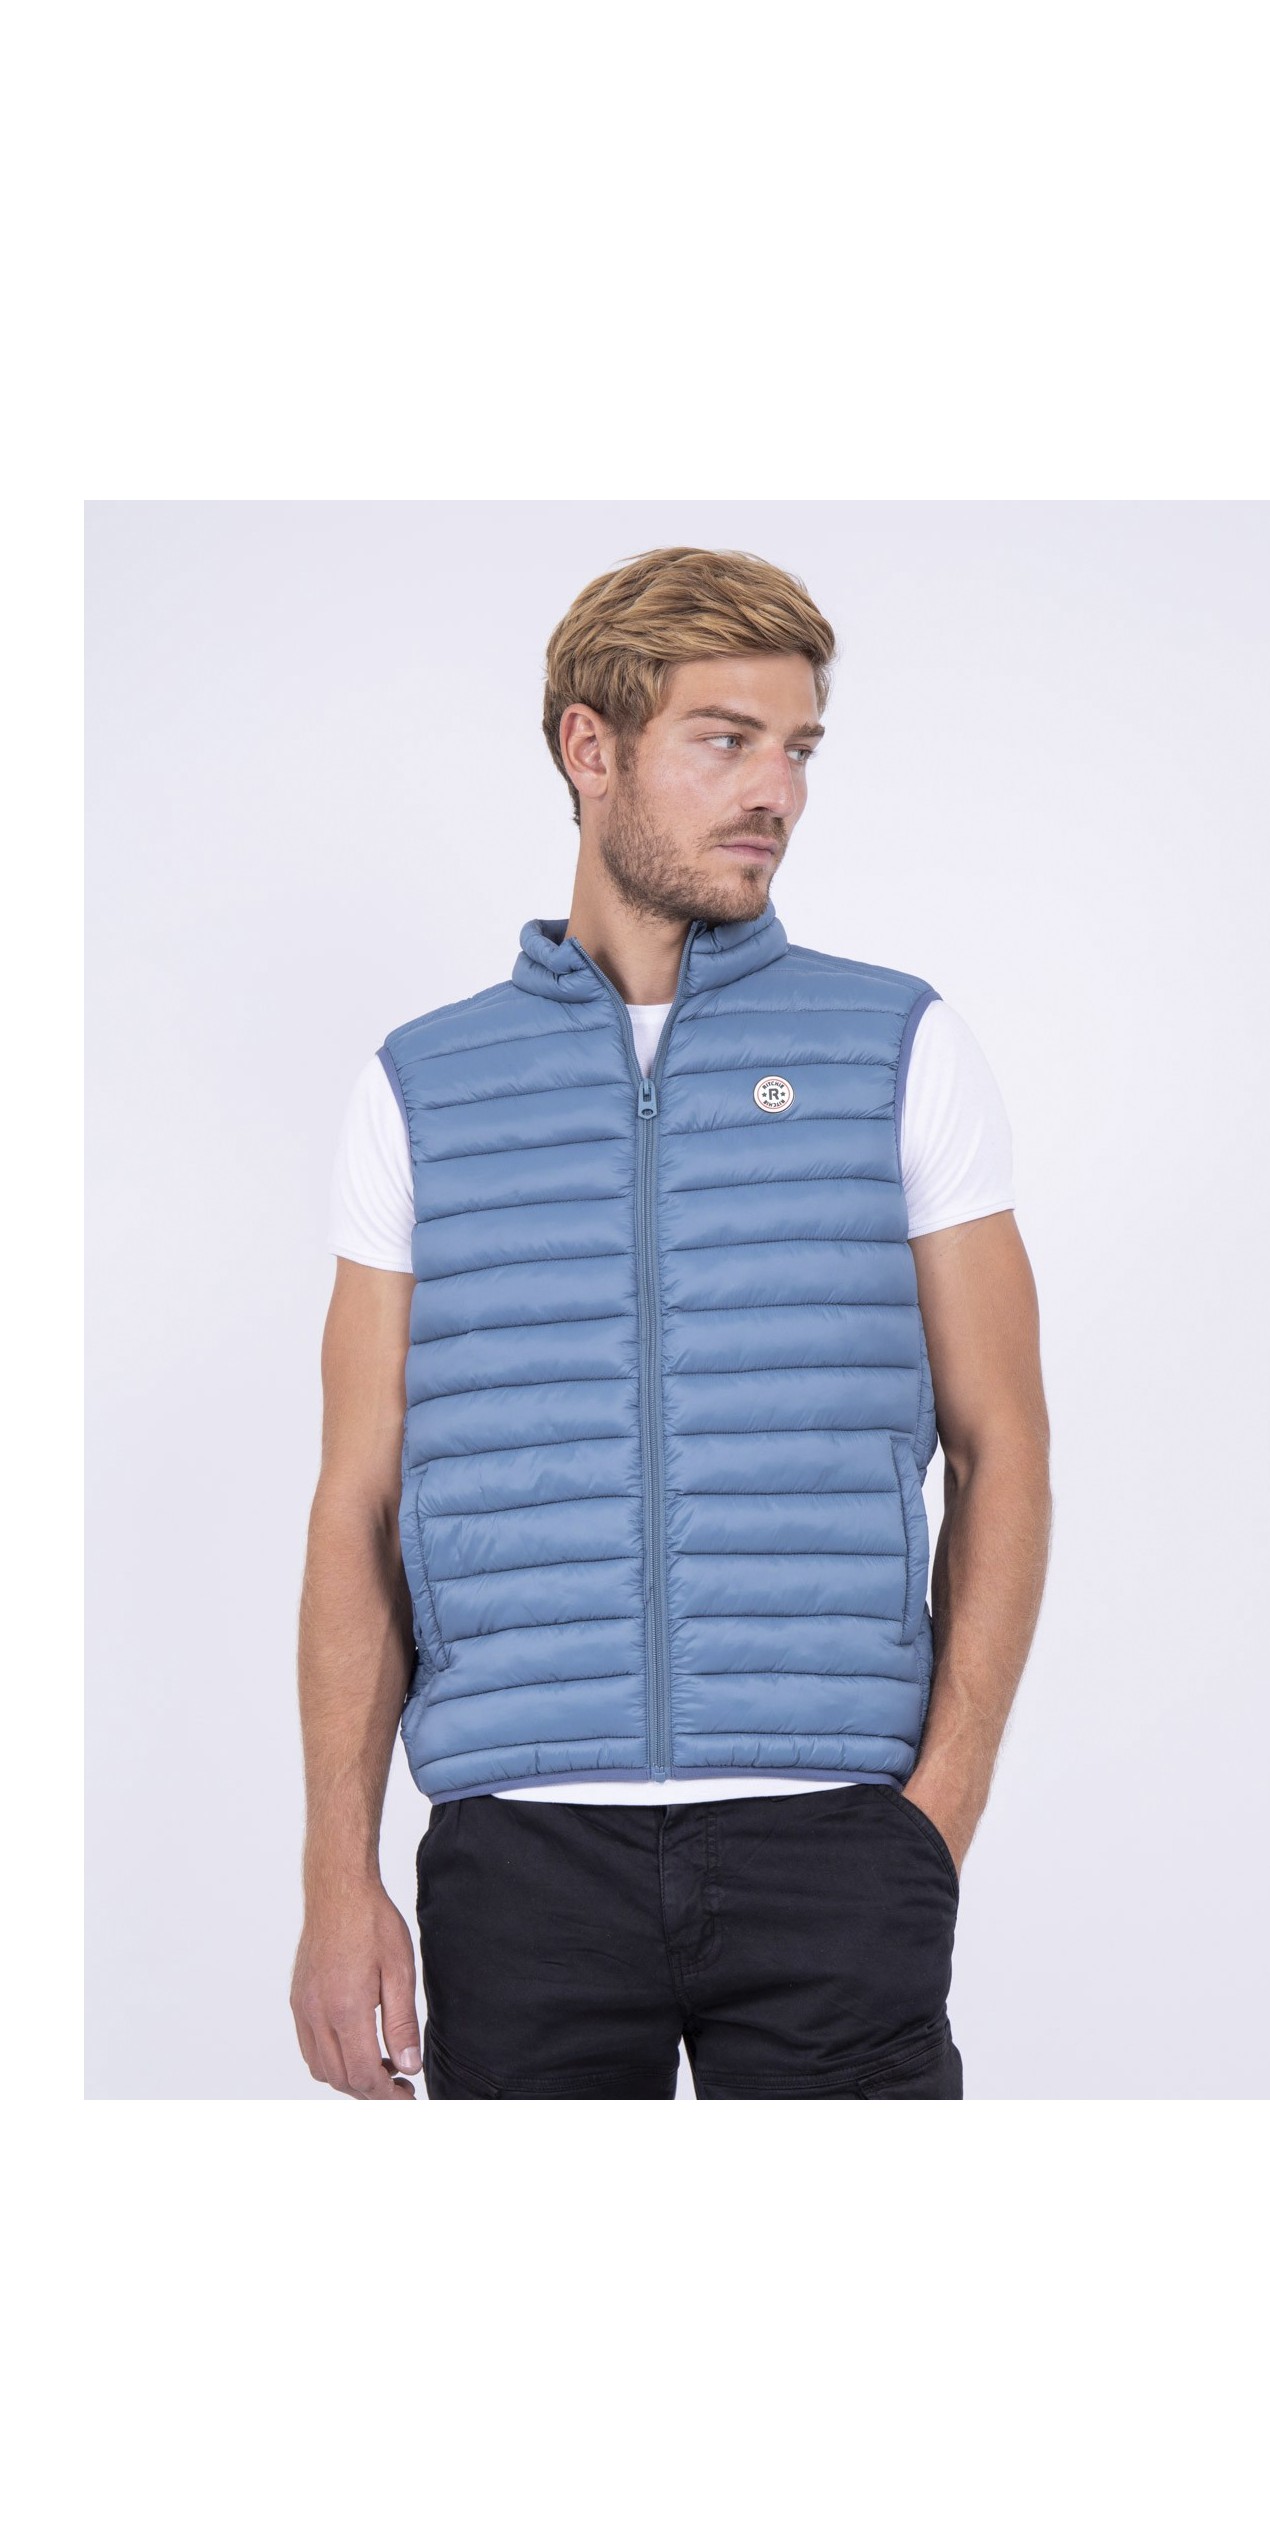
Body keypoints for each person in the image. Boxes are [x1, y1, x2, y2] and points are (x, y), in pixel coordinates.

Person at [290, 545, 1052, 2100]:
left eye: (798, 748)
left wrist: (937, 1815)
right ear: (592, 748)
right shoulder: (421, 1089)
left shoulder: (897, 1046)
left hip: (836, 1840)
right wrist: (335, 1874)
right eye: (726, 740)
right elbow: (358, 1499)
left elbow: (1005, 1450)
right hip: (523, 1855)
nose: (777, 790)